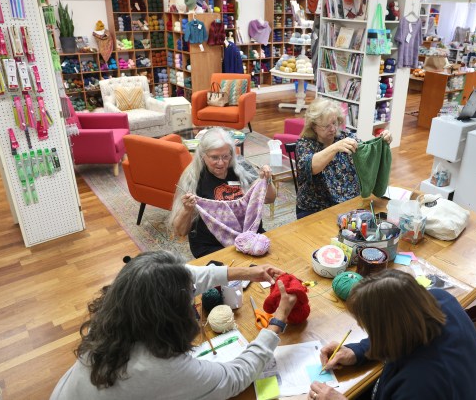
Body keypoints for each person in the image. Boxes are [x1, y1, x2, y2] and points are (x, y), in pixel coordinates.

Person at [50, 250, 296, 400]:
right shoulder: (161, 369)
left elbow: (181, 276)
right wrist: (276, 323)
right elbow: (235, 377)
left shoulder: (113, 316)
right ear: (173, 315)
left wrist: (246, 273)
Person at [308, 270, 476, 400]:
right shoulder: (441, 300)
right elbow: (401, 329)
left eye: (367, 326)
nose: (360, 325)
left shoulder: (419, 385)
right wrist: (357, 351)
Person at [169, 128, 276, 257]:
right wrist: (187, 210)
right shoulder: (193, 178)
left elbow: (269, 199)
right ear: (203, 156)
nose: (221, 163)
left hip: (251, 237)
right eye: (214, 157)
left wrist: (267, 181)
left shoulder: (242, 167)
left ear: (231, 153)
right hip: (213, 246)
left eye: (225, 156)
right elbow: (180, 231)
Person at [295, 98, 391, 219]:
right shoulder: (304, 144)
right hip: (315, 209)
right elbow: (311, 167)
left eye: (334, 123)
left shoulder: (346, 137)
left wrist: (382, 141)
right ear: (313, 126)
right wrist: (335, 147)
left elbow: (367, 154)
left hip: (348, 204)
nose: (333, 129)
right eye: (326, 126)